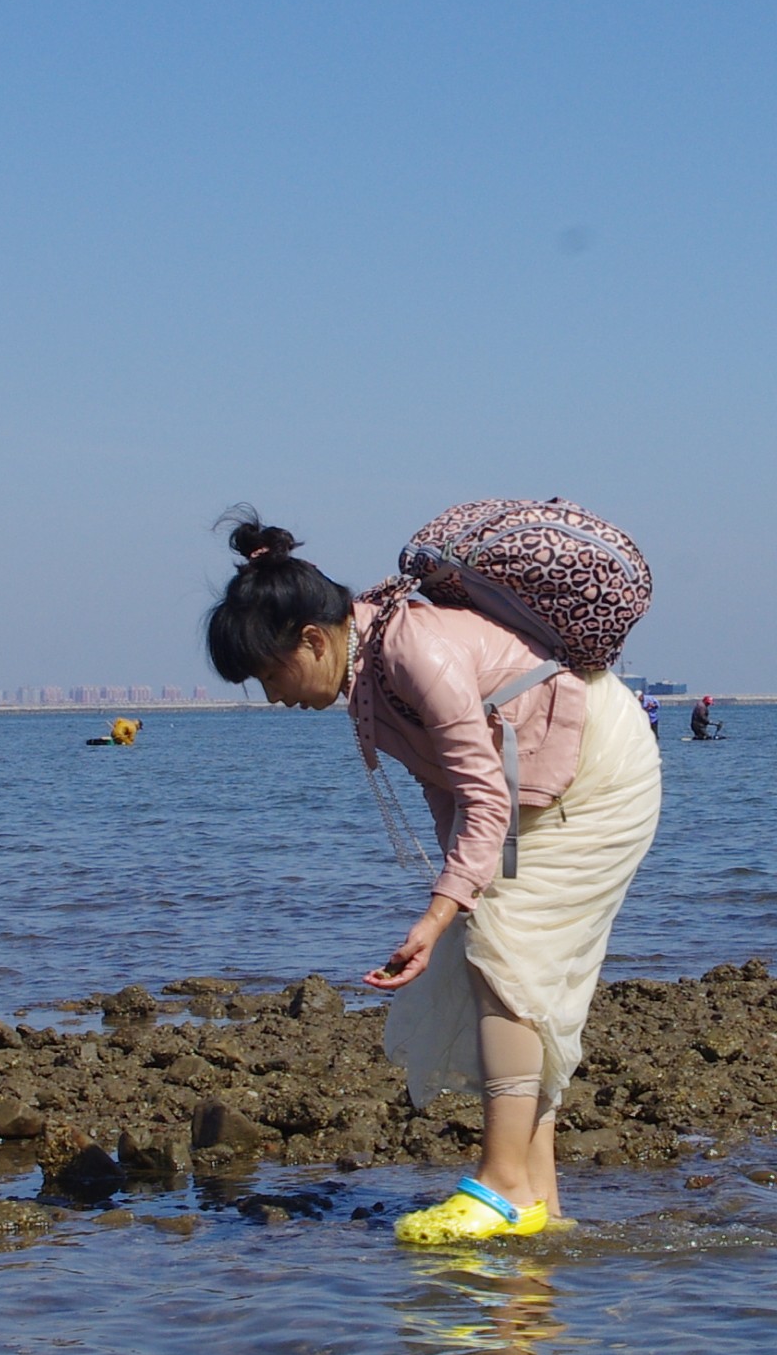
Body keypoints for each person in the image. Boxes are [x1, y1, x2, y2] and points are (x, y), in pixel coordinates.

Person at [205, 516, 662, 1245]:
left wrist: (441, 912)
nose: (271, 698)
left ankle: (502, 1185)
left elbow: (483, 796)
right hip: (536, 781)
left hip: (593, 775)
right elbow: (449, 787)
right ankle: (536, 1198)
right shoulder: (367, 670)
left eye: (268, 675)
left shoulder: (415, 650)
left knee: (510, 963)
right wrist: (456, 896)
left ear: (312, 641)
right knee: (504, 960)